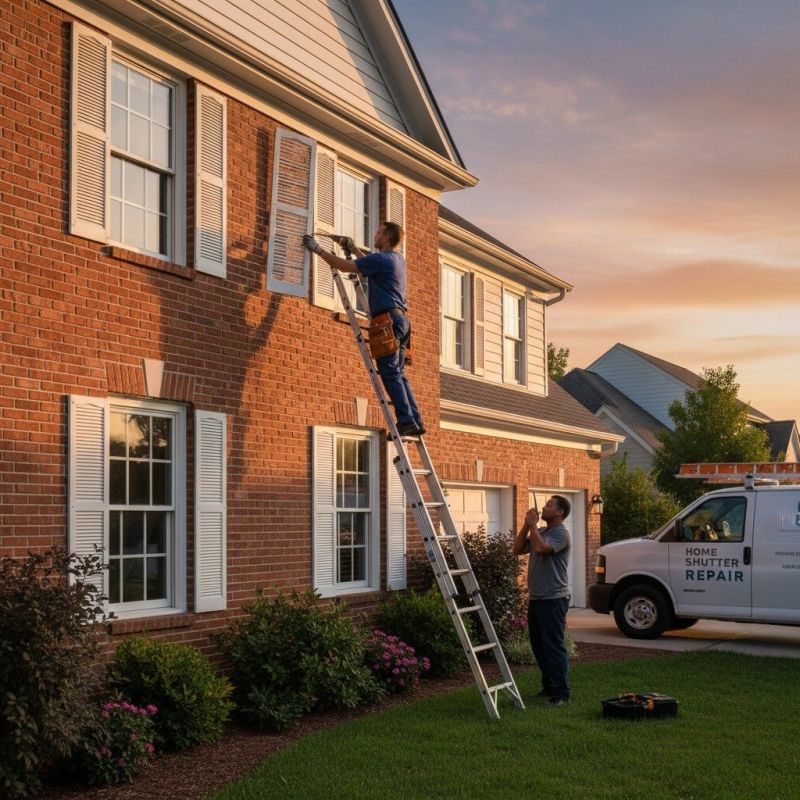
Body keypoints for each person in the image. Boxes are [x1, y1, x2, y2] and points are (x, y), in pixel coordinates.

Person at [303, 223, 425, 438]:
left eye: (378, 233)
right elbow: (370, 265)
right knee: (399, 374)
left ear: (386, 238)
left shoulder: (381, 259)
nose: (375, 235)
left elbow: (344, 266)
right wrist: (354, 249)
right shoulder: (397, 260)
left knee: (390, 374)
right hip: (402, 322)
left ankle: (406, 420)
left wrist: (317, 249)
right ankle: (415, 420)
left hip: (386, 322)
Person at [512, 496, 572, 705]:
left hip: (554, 598)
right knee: (539, 646)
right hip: (537, 598)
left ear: (560, 513)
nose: (544, 507)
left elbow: (541, 549)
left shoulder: (561, 533)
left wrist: (533, 527)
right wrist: (526, 525)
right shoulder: (542, 531)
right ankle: (549, 687)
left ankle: (561, 694)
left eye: (549, 505)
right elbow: (517, 549)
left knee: (553, 646)